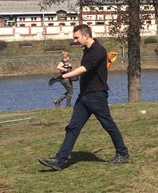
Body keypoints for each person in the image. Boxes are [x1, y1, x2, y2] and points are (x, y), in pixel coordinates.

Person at [38, 24, 130, 170]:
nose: (75, 41)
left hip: (97, 96)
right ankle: (59, 160)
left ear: (86, 36)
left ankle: (123, 153)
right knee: (73, 127)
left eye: (76, 37)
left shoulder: (98, 50)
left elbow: (84, 68)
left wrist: (63, 76)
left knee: (108, 125)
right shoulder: (87, 50)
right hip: (85, 96)